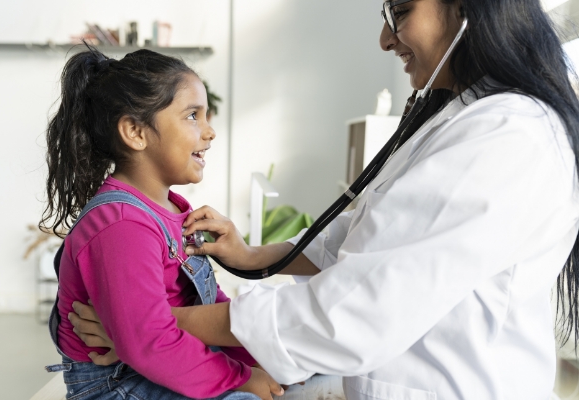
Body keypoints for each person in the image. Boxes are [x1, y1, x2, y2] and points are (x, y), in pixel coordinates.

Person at [69, 0, 579, 398]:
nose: (386, 39)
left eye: (400, 12)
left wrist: (148, 330)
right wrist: (248, 260)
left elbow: (354, 308)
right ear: (135, 132)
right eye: (191, 116)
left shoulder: (506, 135)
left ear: (471, 9)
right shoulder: (464, 121)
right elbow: (373, 242)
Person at [39, 45, 283, 400]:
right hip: (118, 383)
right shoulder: (120, 225)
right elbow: (149, 341)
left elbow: (209, 308)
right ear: (135, 132)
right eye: (192, 116)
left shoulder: (172, 211)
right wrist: (241, 379)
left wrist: (261, 366)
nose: (210, 131)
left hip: (164, 363)